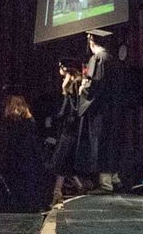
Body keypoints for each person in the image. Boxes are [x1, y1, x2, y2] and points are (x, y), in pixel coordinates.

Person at [76, 29, 126, 194]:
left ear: (91, 40)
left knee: (101, 143)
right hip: (114, 109)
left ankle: (105, 184)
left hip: (101, 111)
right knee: (111, 142)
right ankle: (114, 178)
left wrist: (82, 88)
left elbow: (94, 87)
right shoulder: (112, 59)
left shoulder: (98, 59)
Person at [0, 92, 49, 211]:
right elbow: (34, 141)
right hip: (28, 157)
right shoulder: (29, 120)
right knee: (28, 185)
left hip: (13, 158)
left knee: (14, 186)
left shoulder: (9, 120)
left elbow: (5, 141)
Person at [49, 59, 85, 206]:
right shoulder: (71, 82)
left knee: (60, 160)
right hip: (68, 127)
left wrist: (64, 92)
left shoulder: (75, 83)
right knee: (64, 163)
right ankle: (62, 191)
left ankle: (58, 193)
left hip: (71, 128)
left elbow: (71, 108)